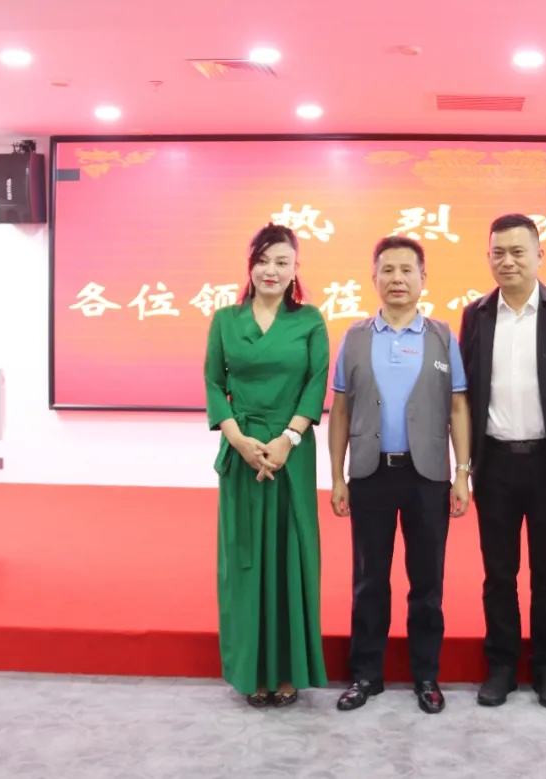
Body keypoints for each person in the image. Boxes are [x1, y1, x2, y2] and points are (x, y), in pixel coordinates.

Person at [328, 235, 472, 715]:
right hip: (370, 474)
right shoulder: (355, 337)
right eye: (387, 270)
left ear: (423, 278)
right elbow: (341, 410)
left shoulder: (441, 336)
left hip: (427, 476)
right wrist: (338, 476)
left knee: (427, 581)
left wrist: (461, 474)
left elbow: (458, 406)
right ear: (373, 278)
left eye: (407, 270)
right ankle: (366, 674)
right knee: (369, 580)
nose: (397, 279)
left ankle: (426, 675)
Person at [459, 213, 546, 709]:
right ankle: (501, 666)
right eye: (499, 252)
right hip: (494, 463)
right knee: (499, 573)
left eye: (519, 251)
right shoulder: (476, 315)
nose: (508, 261)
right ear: (488, 257)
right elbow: (467, 389)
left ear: (540, 255)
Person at [203, 222, 330, 707]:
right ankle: (251, 670)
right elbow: (214, 384)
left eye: (281, 261)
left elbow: (316, 382)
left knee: (291, 556)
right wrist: (238, 440)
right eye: (262, 260)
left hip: (290, 454)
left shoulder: (310, 320)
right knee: (245, 559)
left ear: (296, 269)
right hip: (242, 451)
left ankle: (288, 671)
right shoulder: (225, 320)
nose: (271, 270)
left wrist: (287, 439)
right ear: (250, 266)